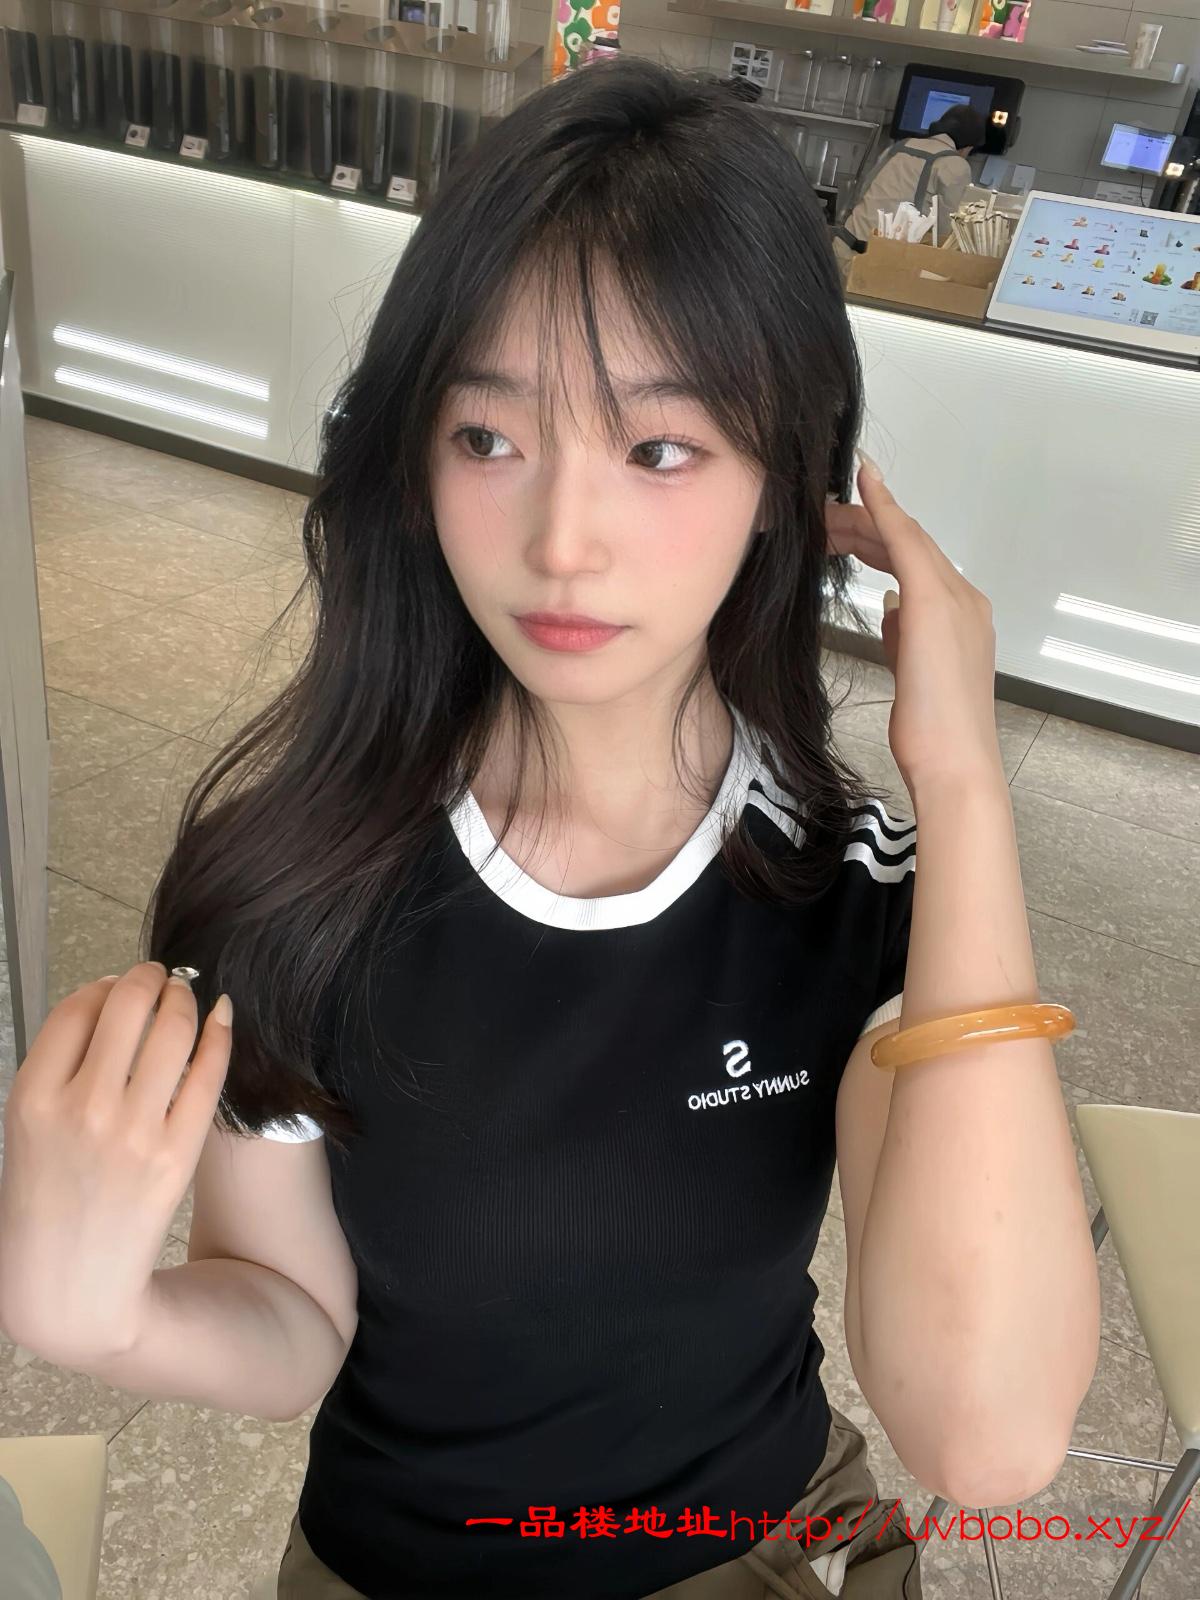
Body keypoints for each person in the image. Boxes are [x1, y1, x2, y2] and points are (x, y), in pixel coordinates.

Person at [0, 57, 1100, 1600]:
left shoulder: (852, 895)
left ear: (786, 483)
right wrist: (96, 1317)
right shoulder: (296, 884)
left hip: (755, 1550)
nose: (561, 542)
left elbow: (987, 1438)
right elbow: (291, 1318)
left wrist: (963, 779)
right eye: (488, 438)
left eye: (658, 450)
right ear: (414, 455)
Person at [833, 104, 988, 281]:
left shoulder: (898, 147)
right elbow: (945, 230)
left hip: (843, 248)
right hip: (883, 263)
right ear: (967, 147)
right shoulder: (956, 165)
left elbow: (863, 191)